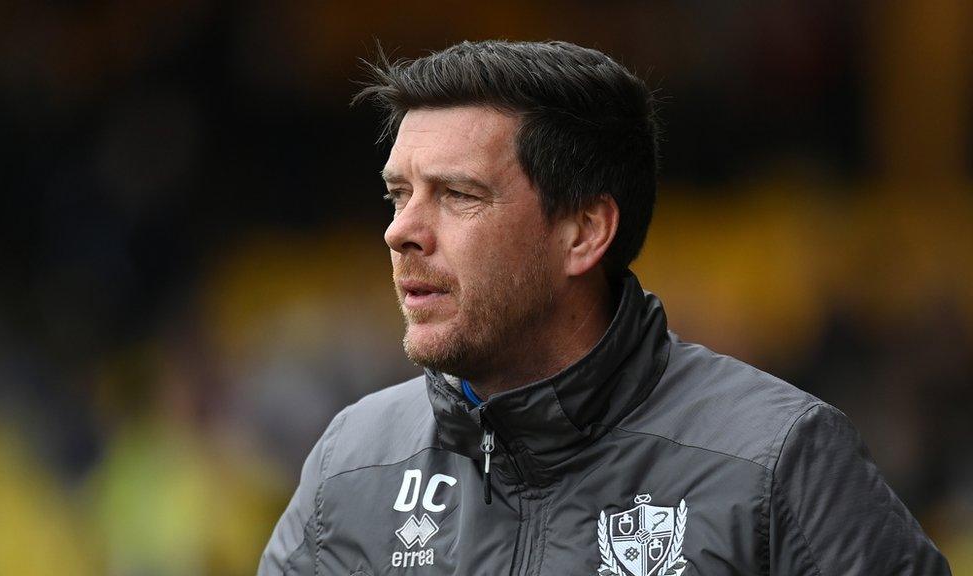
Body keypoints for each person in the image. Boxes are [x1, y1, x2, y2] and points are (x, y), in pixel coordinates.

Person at [258, 40, 950, 575]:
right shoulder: (352, 466)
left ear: (584, 232)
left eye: (458, 195)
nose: (400, 230)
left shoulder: (776, 463)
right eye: (398, 194)